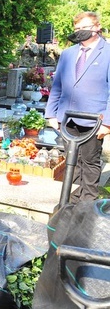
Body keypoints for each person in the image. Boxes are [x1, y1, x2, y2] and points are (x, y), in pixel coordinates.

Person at [45, 11, 110, 203]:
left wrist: (107, 122)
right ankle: (73, 198)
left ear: (97, 27)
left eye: (86, 28)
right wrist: (51, 114)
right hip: (67, 117)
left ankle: (88, 201)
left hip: (94, 119)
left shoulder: (107, 52)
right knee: (74, 160)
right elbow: (57, 85)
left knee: (90, 161)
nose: (81, 32)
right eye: (78, 29)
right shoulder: (68, 53)